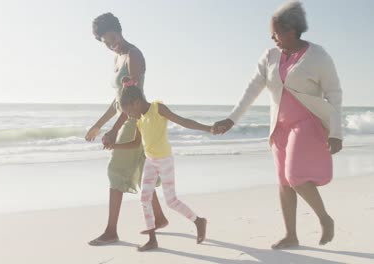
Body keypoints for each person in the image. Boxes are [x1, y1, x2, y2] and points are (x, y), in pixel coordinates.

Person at [213, 1, 342, 249]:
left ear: (291, 30)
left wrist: (336, 132)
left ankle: (325, 219)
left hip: (307, 123)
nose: (272, 37)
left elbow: (334, 94)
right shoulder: (270, 56)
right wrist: (232, 118)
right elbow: (252, 89)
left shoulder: (318, 56)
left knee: (295, 176)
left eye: (275, 32)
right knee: (284, 181)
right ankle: (291, 235)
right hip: (279, 127)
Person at [85, 13, 168, 246]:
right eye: (105, 42)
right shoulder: (117, 58)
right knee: (143, 172)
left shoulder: (133, 54)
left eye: (110, 38)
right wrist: (99, 125)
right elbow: (117, 101)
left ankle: (111, 231)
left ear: (117, 29)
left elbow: (133, 98)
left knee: (116, 172)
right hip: (129, 118)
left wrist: (114, 130)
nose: (110, 45)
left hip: (133, 120)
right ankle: (159, 218)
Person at [107, 82, 208, 251]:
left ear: (136, 102)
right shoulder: (140, 120)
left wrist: (209, 129)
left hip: (165, 161)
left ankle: (199, 221)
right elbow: (135, 143)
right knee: (144, 198)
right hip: (150, 162)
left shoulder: (158, 108)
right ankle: (152, 239)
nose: (130, 116)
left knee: (171, 201)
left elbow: (183, 121)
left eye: (130, 111)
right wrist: (114, 146)